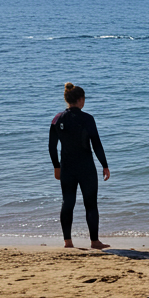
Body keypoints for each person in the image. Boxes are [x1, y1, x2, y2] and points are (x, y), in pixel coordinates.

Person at [49, 82, 110, 249]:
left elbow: (52, 146)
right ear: (81, 100)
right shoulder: (88, 119)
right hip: (86, 168)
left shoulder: (57, 119)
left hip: (67, 168)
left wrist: (57, 167)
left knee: (67, 203)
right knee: (91, 204)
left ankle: (68, 242)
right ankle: (95, 242)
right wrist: (104, 165)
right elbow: (96, 144)